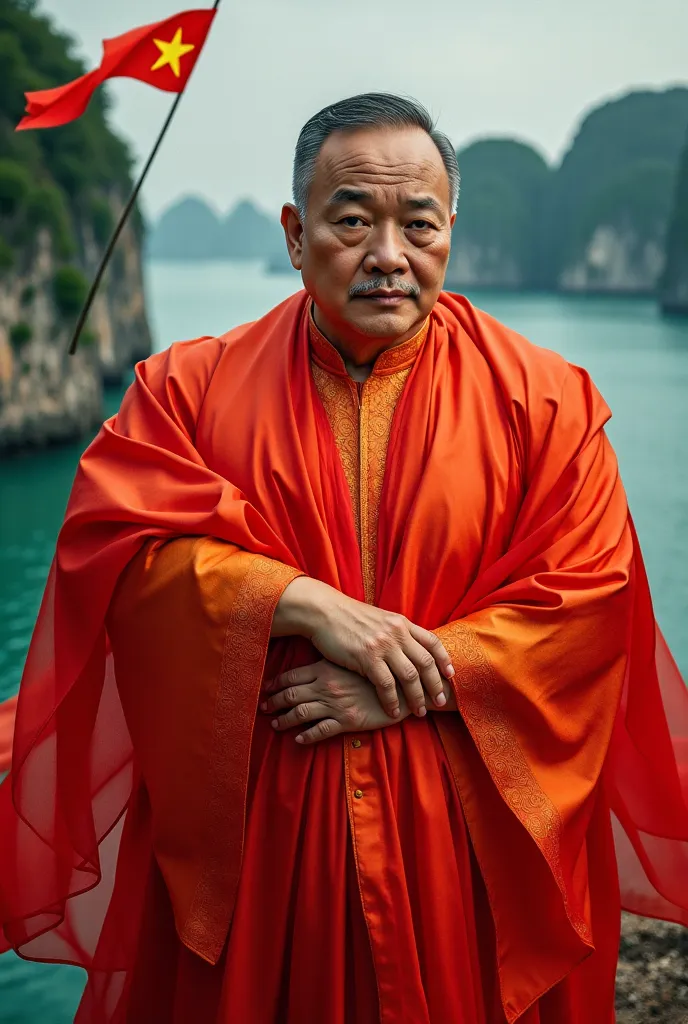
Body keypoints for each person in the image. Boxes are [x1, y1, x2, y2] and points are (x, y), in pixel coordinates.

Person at [1, 93, 687, 1024]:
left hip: (463, 850)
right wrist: (293, 601)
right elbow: (117, 553)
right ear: (295, 233)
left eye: (419, 224)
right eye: (354, 221)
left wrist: (411, 680)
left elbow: (589, 599)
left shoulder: (547, 404)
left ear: (453, 233)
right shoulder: (184, 394)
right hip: (258, 847)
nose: (389, 256)